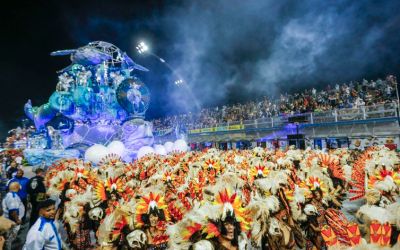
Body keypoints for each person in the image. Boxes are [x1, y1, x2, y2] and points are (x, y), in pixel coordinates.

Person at [2, 182, 24, 250]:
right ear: (16, 187)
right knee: (9, 240)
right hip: (12, 221)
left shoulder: (9, 194)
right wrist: (17, 220)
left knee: (7, 239)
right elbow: (13, 211)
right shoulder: (13, 196)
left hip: (8, 220)